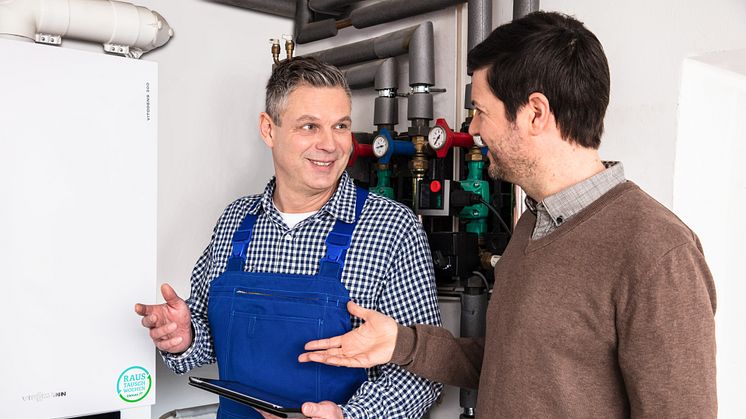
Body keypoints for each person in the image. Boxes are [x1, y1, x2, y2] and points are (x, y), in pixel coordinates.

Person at [300, 11, 717, 418]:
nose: (475, 129)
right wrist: (399, 344)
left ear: (535, 113)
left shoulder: (658, 251)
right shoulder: (534, 224)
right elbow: (509, 366)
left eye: (481, 111)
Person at [134, 57, 442, 419]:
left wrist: (349, 417)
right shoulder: (236, 221)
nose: (330, 144)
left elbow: (422, 375)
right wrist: (184, 336)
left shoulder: (391, 228)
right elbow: (208, 339)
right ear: (268, 130)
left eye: (340, 126)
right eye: (309, 126)